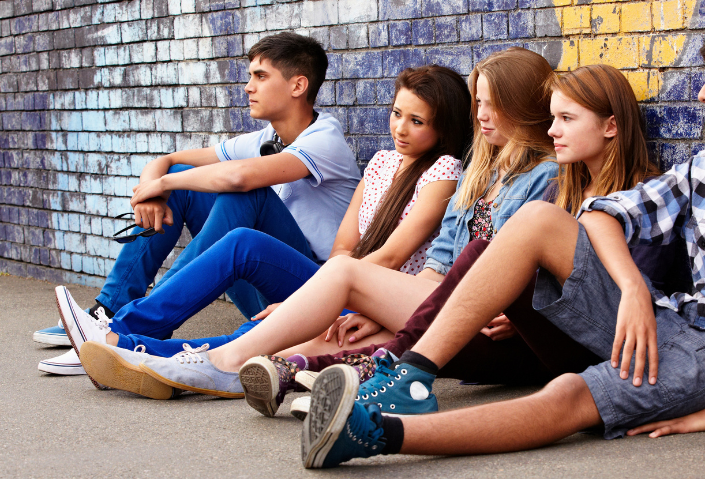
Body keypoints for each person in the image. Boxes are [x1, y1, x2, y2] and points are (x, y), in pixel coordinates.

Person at [298, 16, 705, 469]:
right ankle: (409, 376)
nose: (703, 92)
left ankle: (377, 435)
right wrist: (634, 290)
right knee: (540, 220)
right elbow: (601, 214)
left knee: (569, 394)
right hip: (677, 321)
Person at [132, 47, 561, 409]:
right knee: (310, 343)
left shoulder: (545, 176)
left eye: (492, 104)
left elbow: (542, 272)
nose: (482, 116)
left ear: (522, 104)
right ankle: (192, 366)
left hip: (490, 326)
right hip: (442, 304)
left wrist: (368, 300)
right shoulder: (477, 174)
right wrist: (381, 309)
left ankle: (199, 356)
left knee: (337, 276)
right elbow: (439, 264)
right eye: (478, 104)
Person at [288, 63, 693, 415]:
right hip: (537, 350)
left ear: (610, 126)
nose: (552, 130)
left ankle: (381, 372)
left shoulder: (647, 197)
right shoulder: (564, 190)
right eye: (553, 118)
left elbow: (628, 302)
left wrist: (525, 305)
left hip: (597, 352)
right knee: (457, 328)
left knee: (482, 250)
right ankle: (313, 371)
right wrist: (519, 311)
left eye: (567, 119)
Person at [55, 65, 471, 401]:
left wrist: (309, 299)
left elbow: (392, 258)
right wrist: (313, 297)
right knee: (239, 238)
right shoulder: (381, 162)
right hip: (337, 280)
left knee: (252, 280)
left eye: (417, 121)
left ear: (442, 129)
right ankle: (124, 332)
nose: (400, 128)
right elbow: (346, 246)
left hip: (375, 296)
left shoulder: (443, 172)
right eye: (397, 114)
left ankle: (133, 347)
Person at [37, 32, 360, 376]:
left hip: (312, 290)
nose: (249, 87)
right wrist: (156, 186)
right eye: (250, 76)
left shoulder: (325, 140)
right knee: (183, 180)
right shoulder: (268, 139)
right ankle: (108, 312)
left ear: (298, 86)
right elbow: (171, 160)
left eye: (261, 77)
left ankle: (132, 328)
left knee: (245, 193)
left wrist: (163, 182)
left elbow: (238, 179)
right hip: (266, 288)